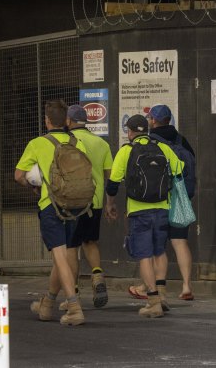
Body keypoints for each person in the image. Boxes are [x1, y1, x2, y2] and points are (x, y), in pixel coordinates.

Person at [104, 114, 184, 318]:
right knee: (159, 251)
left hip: (138, 211)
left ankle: (153, 300)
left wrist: (110, 204)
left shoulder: (126, 151)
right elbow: (178, 173)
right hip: (162, 209)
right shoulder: (163, 148)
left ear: (130, 132)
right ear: (147, 131)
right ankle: (162, 292)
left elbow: (113, 184)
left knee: (144, 256)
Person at [14, 99, 86, 326]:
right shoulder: (77, 142)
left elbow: (18, 175)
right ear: (66, 121)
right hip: (75, 205)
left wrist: (34, 186)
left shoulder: (37, 143)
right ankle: (47, 304)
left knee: (60, 256)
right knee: (61, 256)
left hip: (51, 205)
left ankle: (74, 307)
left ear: (46, 120)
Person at [128, 104, 195, 308]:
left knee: (155, 248)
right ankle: (186, 286)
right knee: (179, 241)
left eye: (150, 118)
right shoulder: (181, 139)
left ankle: (153, 288)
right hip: (181, 194)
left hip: (157, 198)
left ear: (154, 121)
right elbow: (186, 169)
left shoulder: (152, 141)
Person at [66, 105, 113, 308]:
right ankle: (97, 276)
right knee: (90, 242)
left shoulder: (67, 141)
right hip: (96, 201)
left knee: (70, 246)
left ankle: (73, 293)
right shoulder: (101, 143)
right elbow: (109, 175)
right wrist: (110, 202)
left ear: (69, 121)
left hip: (74, 201)